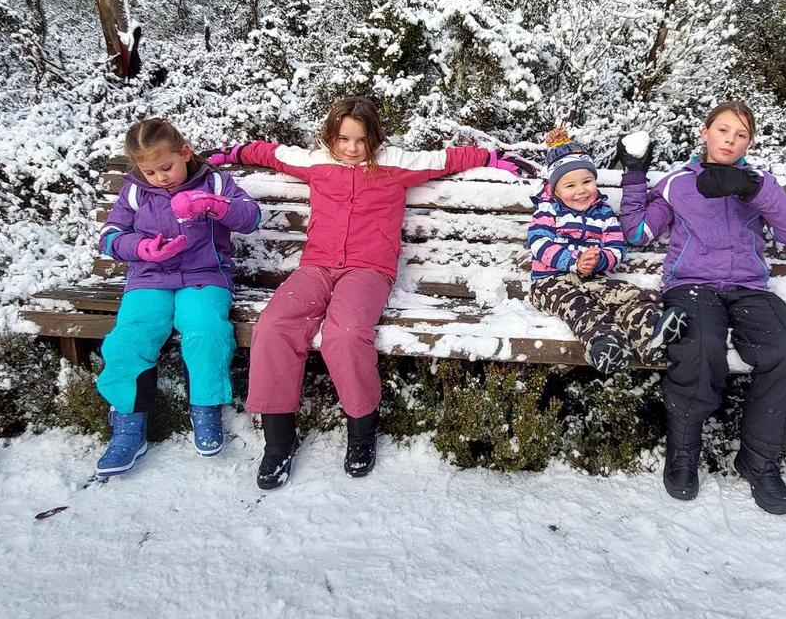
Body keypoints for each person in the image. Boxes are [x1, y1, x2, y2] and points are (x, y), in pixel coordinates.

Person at [207, 97, 535, 490]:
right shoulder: (317, 162)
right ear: (331, 136)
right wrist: (227, 154)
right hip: (316, 267)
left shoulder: (396, 165)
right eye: (343, 138)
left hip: (368, 272)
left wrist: (496, 159)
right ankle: (278, 441)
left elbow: (446, 159)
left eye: (360, 140)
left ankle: (361, 433)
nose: (350, 148)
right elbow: (270, 153)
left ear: (374, 138)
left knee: (344, 334)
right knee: (274, 326)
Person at [617, 101, 786, 514]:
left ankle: (760, 462)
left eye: (741, 135)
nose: (730, 140)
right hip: (692, 286)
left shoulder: (761, 183)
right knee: (698, 346)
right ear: (704, 132)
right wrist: (634, 175)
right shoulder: (678, 183)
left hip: (748, 287)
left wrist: (754, 190)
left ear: (750, 142)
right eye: (723, 130)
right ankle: (684, 452)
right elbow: (637, 232)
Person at [93, 117, 261, 478]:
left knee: (206, 333)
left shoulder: (214, 181)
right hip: (150, 277)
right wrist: (140, 247)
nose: (160, 178)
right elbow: (108, 235)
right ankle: (127, 426)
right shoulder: (135, 191)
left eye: (166, 167)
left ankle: (206, 409)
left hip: (204, 277)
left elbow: (250, 217)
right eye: (150, 171)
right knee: (129, 339)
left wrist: (214, 205)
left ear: (185, 153)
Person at [526, 128, 687, 374]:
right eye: (570, 185)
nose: (580, 190)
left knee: (627, 296)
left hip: (593, 277)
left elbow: (617, 248)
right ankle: (606, 346)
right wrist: (574, 261)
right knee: (581, 308)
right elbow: (539, 243)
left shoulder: (603, 213)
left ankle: (651, 337)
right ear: (555, 189)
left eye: (587, 181)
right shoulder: (548, 211)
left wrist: (601, 260)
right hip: (549, 283)